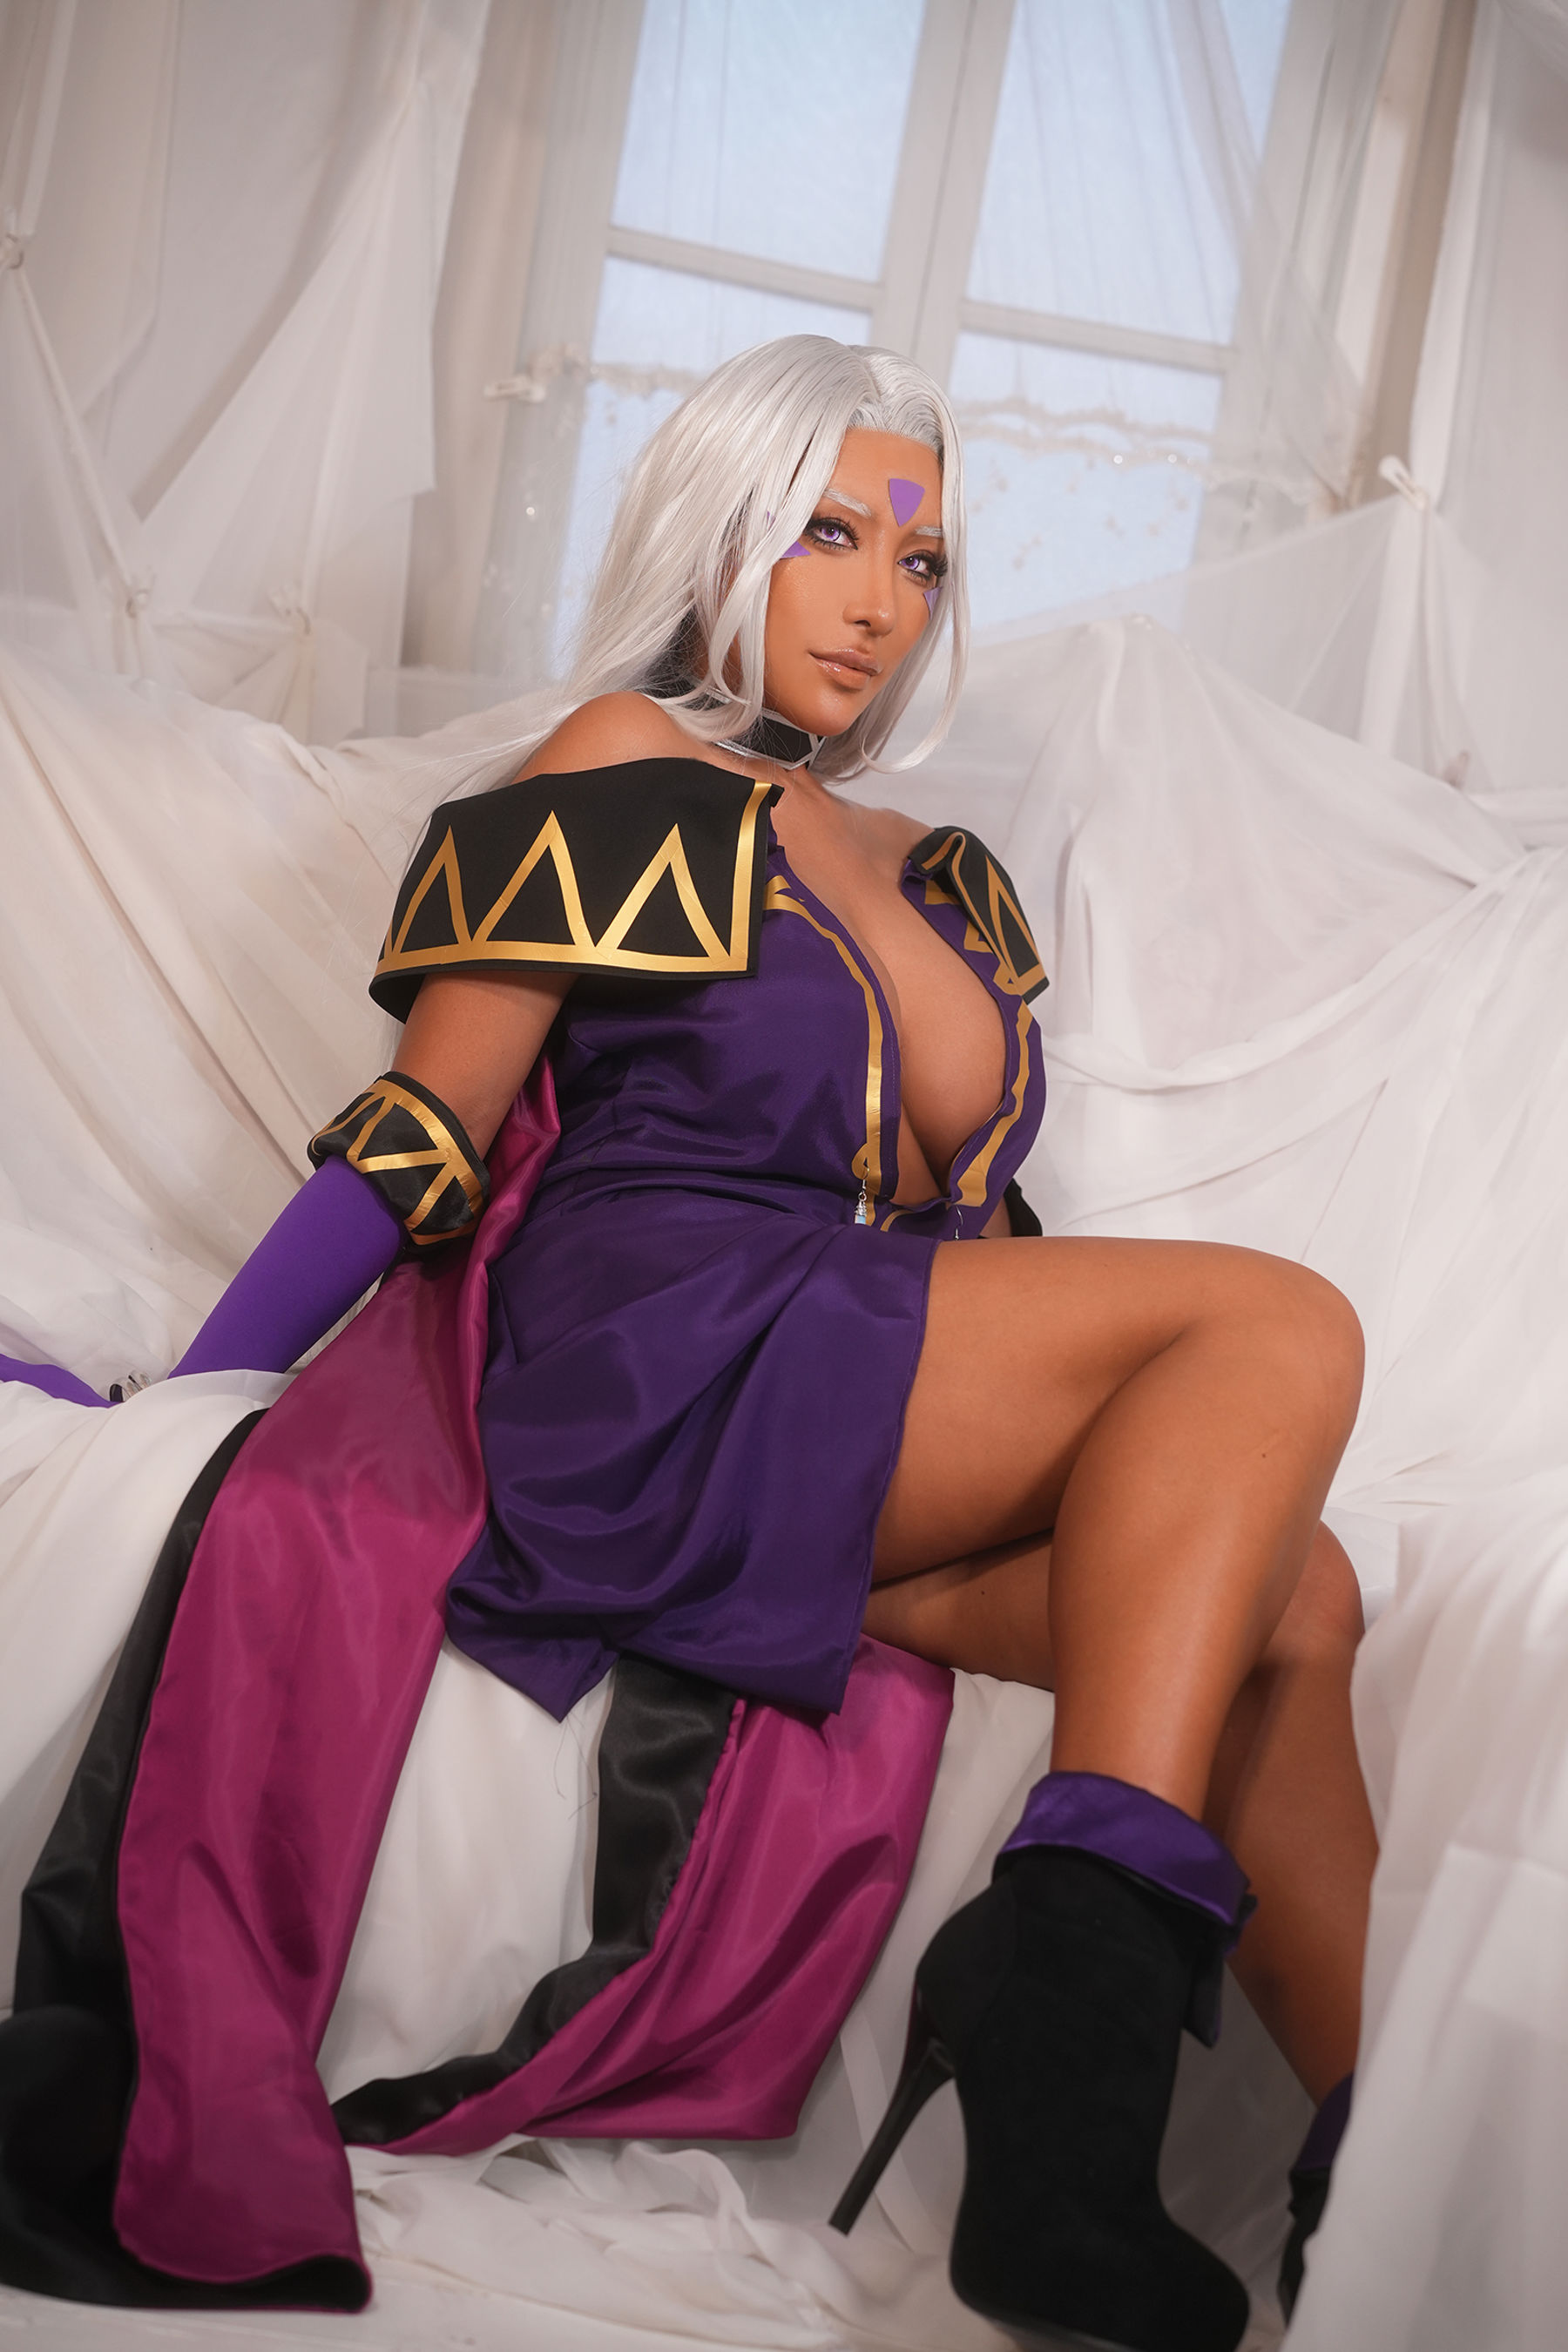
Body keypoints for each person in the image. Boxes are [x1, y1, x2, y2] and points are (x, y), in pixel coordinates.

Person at [0, 338, 1374, 2352]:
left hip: (847, 1380)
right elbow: (424, 1131)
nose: (880, 599)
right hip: (651, 1358)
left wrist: (1115, 1428)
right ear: (720, 530)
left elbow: (978, 1199)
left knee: (1300, 1593)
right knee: (1282, 1320)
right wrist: (199, 1394)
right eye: (829, 534)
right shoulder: (620, 758)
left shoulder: (937, 872)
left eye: (921, 559)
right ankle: (1066, 2015)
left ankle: (1366, 2173)